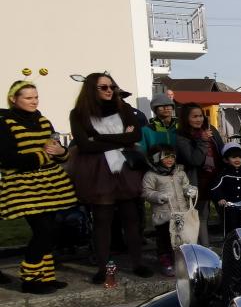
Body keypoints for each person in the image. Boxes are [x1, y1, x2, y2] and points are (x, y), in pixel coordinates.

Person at [68, 72, 151, 281]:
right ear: (90, 89)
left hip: (124, 166)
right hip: (96, 168)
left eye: (111, 87)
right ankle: (102, 267)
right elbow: (85, 145)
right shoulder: (78, 113)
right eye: (103, 87)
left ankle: (138, 263)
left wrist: (99, 136)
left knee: (131, 216)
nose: (109, 91)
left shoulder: (123, 108)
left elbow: (136, 135)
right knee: (102, 219)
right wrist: (121, 140)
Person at [0, 80, 77, 293]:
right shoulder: (4, 122)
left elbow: (58, 152)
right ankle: (30, 279)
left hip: (50, 184)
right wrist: (45, 156)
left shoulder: (43, 121)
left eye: (36, 97)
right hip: (23, 185)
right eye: (28, 98)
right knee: (43, 231)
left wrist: (62, 153)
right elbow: (8, 159)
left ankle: (45, 276)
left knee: (50, 231)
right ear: (14, 99)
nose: (34, 101)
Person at [141, 144, 196, 276]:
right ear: (155, 158)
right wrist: (157, 196)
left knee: (182, 238)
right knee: (164, 240)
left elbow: (185, 186)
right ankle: (166, 261)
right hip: (163, 215)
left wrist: (189, 190)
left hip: (181, 213)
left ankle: (182, 261)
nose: (170, 159)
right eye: (166, 157)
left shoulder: (179, 172)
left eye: (172, 157)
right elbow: (146, 192)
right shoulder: (151, 175)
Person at [175, 103, 224, 245]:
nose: (199, 119)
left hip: (216, 179)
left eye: (200, 115)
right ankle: (203, 249)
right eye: (194, 116)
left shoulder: (211, 130)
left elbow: (220, 152)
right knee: (200, 216)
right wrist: (202, 140)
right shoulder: (181, 136)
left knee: (225, 212)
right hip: (197, 182)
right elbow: (194, 160)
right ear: (185, 118)